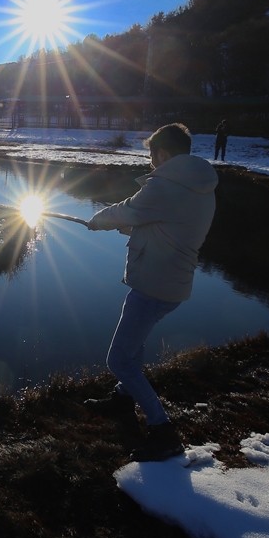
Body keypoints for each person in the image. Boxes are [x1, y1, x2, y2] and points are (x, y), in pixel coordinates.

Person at [84, 123, 218, 462]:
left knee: (118, 358)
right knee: (135, 344)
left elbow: (129, 209)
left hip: (153, 284)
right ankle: (123, 396)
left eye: (151, 155)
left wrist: (100, 219)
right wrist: (132, 228)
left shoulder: (164, 184)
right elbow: (166, 223)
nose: (150, 163)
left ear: (162, 153)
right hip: (173, 282)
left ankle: (163, 431)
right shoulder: (198, 183)